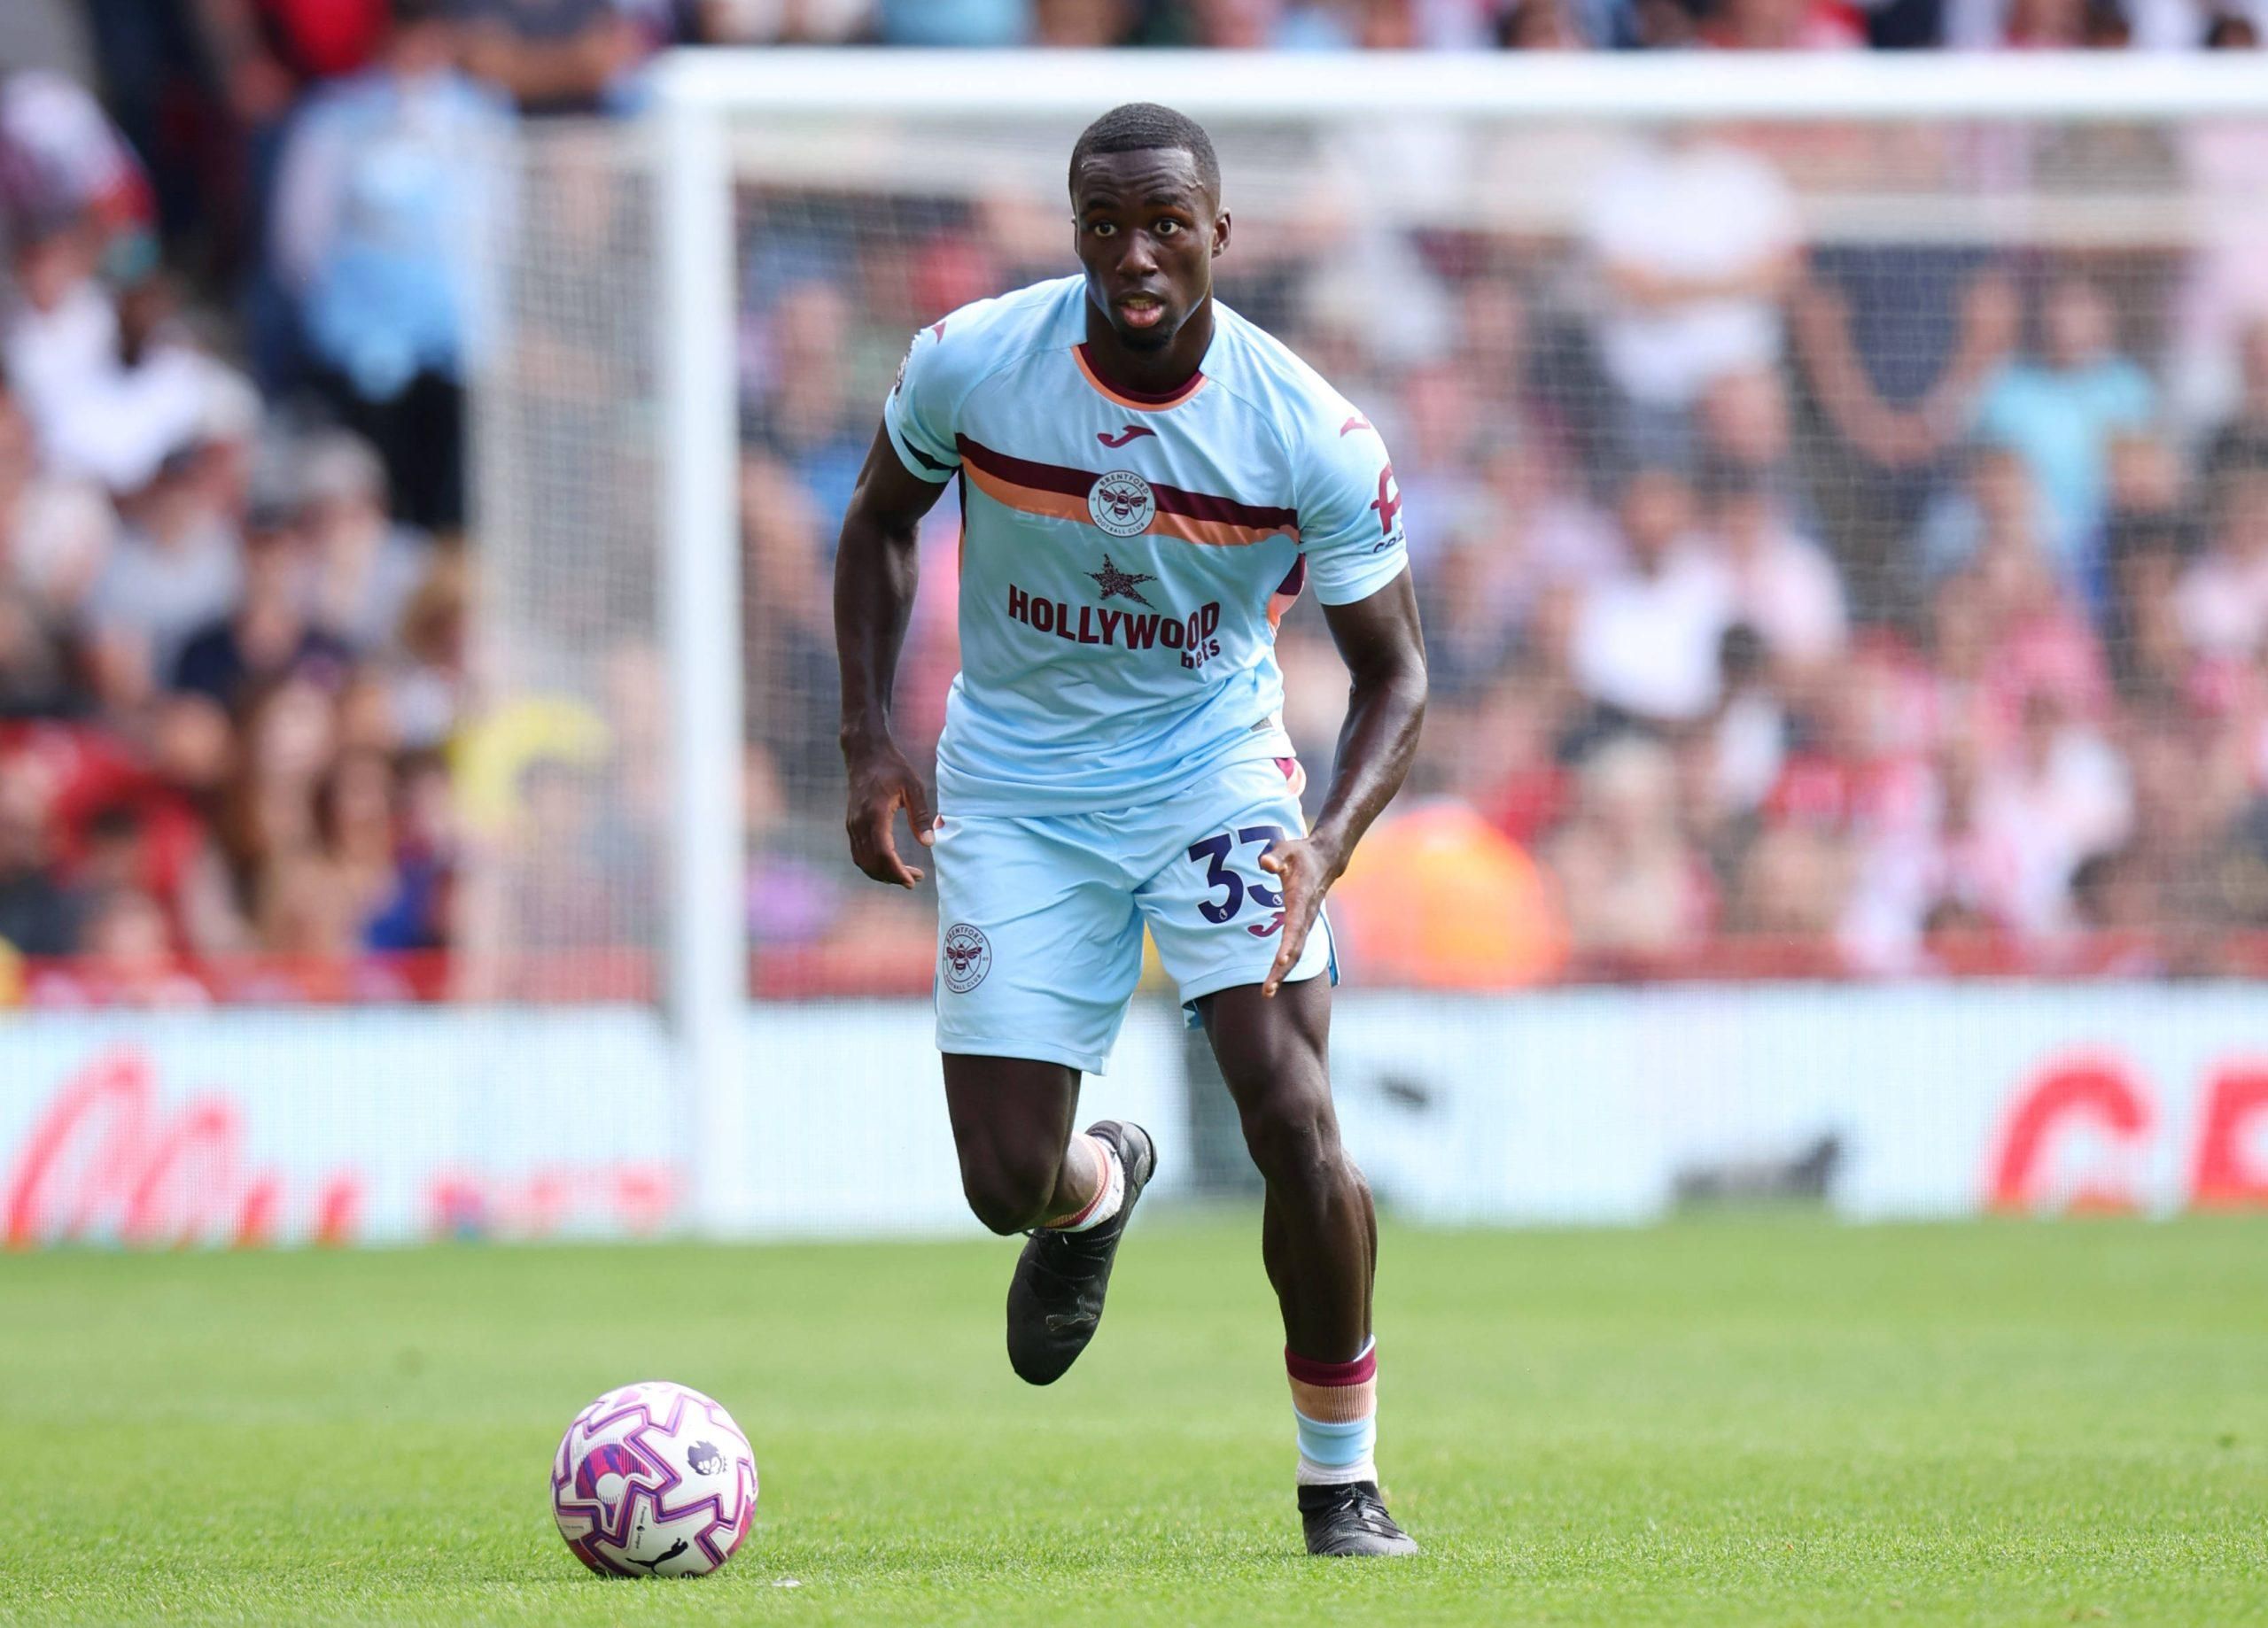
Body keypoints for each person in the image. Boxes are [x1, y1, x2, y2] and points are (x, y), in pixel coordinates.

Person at [833, 105, 1426, 1558]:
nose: (1136, 255)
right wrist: (866, 738)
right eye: (1106, 225)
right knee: (1003, 1184)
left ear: (1220, 231)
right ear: (1075, 229)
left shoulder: (1308, 431)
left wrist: (1329, 838)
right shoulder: (975, 362)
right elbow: (879, 522)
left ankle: (1340, 1480)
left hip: (1213, 782)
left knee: (1293, 1113)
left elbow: (1398, 675)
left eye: (1167, 224)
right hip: (1016, 789)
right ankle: (1097, 1188)